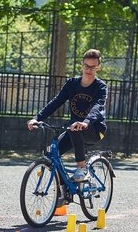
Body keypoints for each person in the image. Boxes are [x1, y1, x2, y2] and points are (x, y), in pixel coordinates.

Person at [27, 49, 107, 184]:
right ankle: (64, 189)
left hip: (95, 130)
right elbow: (56, 102)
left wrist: (86, 122)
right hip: (74, 129)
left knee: (74, 128)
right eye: (86, 66)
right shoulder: (72, 84)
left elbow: (97, 107)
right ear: (82, 64)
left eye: (92, 67)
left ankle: (82, 168)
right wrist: (37, 118)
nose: (88, 69)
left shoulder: (100, 87)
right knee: (51, 155)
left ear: (98, 67)